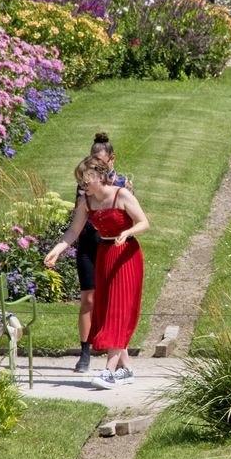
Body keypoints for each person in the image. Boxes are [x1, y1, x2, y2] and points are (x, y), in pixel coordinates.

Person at [45, 156, 148, 390]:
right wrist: (57, 251)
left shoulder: (121, 195)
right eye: (81, 181)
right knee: (106, 309)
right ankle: (126, 369)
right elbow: (74, 230)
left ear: (100, 176)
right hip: (104, 254)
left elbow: (144, 222)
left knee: (117, 310)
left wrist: (127, 232)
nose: (83, 185)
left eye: (87, 180)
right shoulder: (87, 201)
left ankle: (109, 371)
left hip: (126, 255)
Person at [56, 134, 129, 374]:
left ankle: (118, 359)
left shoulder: (122, 183)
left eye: (98, 160)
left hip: (111, 244)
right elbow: (78, 220)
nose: (92, 164)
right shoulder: (85, 185)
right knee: (88, 298)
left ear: (111, 159)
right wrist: (59, 248)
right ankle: (85, 350)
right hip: (89, 241)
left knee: (114, 302)